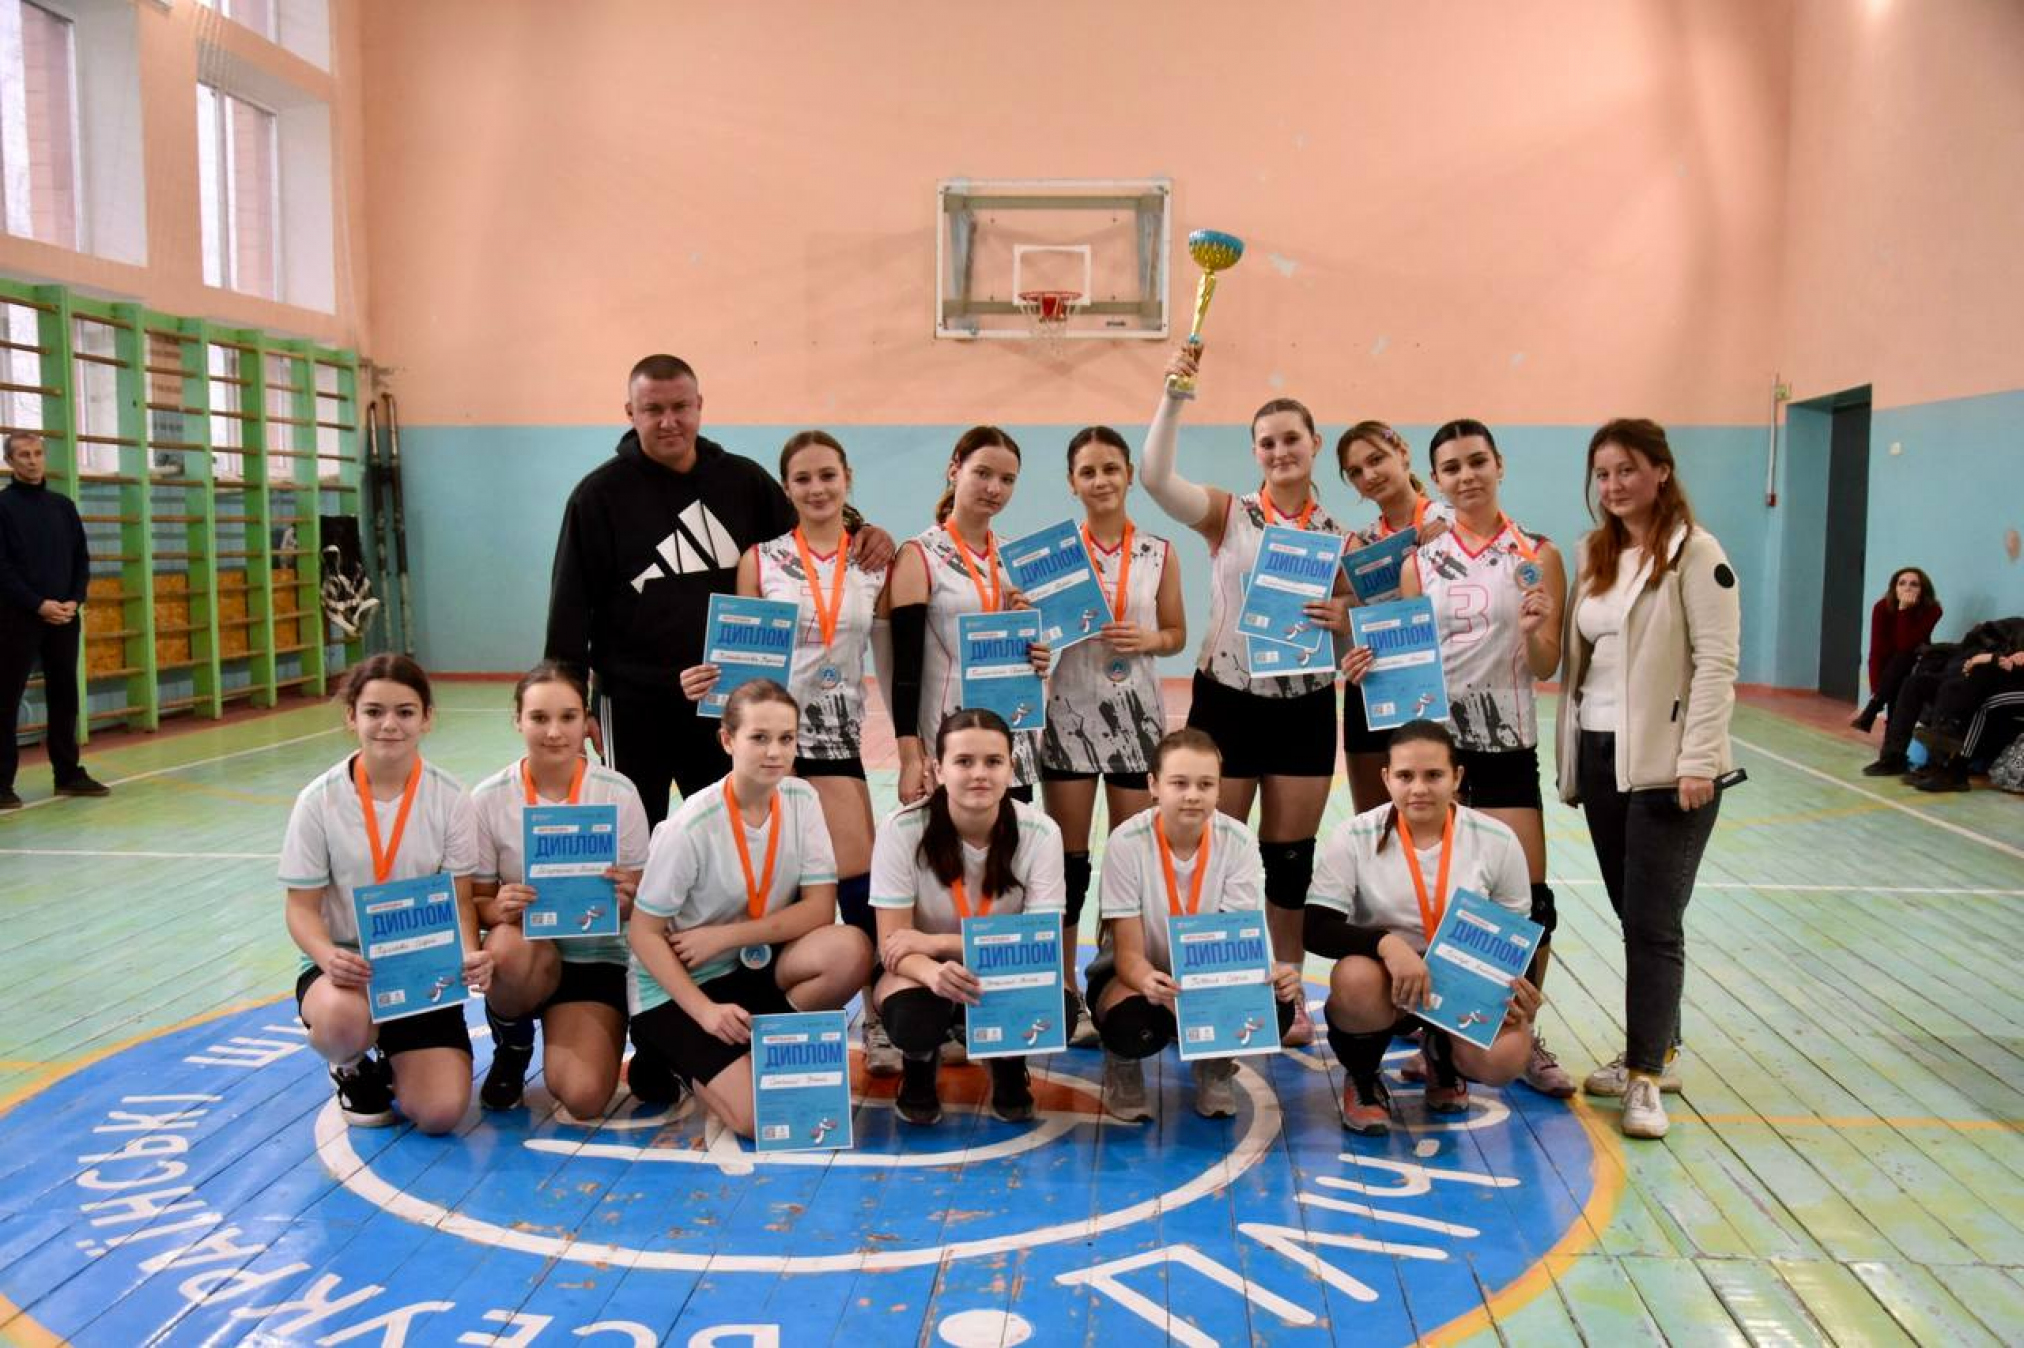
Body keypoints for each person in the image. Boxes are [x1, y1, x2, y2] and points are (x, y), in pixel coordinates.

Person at [545, 355, 891, 828]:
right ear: (630, 413)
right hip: (631, 705)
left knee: (727, 832)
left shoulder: (742, 481)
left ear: (700, 406)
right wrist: (569, 703)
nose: (669, 421)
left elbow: (810, 528)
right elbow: (569, 607)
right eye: (653, 409)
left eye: (680, 407)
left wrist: (863, 530)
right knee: (633, 833)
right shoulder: (597, 497)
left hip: (723, 700)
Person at [1138, 345, 1351, 1047]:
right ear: (1255, 452)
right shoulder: (1229, 515)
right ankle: (1209, 984)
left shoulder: (1338, 538)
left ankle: (1290, 994)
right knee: (1210, 849)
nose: (1281, 451)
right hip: (1228, 701)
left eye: (1292, 438)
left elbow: (1362, 627)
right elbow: (1155, 477)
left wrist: (1345, 615)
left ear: (1315, 444)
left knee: (1289, 861)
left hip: (1305, 706)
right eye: (1267, 442)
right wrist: (1174, 396)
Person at [683, 430, 894, 1073]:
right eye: (803, 478)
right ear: (787, 487)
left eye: (828, 475)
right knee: (775, 874)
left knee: (858, 873)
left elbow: (891, 656)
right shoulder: (762, 559)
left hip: (838, 735)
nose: (817, 488)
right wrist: (711, 683)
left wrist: (908, 740)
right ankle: (762, 1005)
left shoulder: (873, 559)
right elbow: (742, 657)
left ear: (847, 477)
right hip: (773, 738)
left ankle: (878, 1017)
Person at [1556, 419, 1739, 1139]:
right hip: (1602, 756)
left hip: (1668, 767)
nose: (1613, 485)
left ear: (1661, 471)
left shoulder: (1696, 552)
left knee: (1654, 925)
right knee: (1635, 916)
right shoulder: (1596, 554)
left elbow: (1717, 662)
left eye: (1627, 470)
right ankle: (1659, 1048)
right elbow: (1585, 658)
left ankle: (1644, 1078)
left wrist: (1698, 758)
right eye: (1602, 474)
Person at [1389, 417, 1571, 1097]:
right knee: (1439, 897)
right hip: (1438, 752)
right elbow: (1410, 664)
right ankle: (1439, 1038)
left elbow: (1547, 665)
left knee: (1529, 903)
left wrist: (1537, 630)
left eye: (1476, 461)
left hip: (1506, 747)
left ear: (1499, 465)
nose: (1466, 476)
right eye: (1452, 467)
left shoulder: (1537, 554)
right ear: (1436, 479)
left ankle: (1522, 1032)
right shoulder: (1419, 563)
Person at [625, 680, 872, 1137]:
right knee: (759, 1119)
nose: (774, 752)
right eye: (759, 737)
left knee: (850, 948)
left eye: (785, 738)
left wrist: (726, 936)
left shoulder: (802, 800)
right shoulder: (690, 826)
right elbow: (643, 934)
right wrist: (705, 1011)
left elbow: (820, 910)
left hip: (749, 963)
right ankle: (676, 1051)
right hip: (682, 984)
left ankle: (759, 1044)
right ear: (727, 740)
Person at [280, 655, 492, 1132]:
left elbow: (460, 899)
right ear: (351, 716)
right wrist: (327, 956)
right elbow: (300, 909)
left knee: (440, 1113)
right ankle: (350, 1063)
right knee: (341, 1019)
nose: (389, 724)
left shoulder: (451, 798)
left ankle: (399, 1053)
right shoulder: (318, 801)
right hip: (348, 968)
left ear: (427, 718)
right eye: (374, 711)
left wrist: (469, 952)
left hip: (420, 968)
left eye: (405, 711)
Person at [1304, 720, 1541, 1136]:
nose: (1419, 788)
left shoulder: (1496, 839)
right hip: (1387, 980)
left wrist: (1524, 995)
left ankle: (1443, 1058)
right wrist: (1387, 945)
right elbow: (1317, 927)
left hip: (1461, 986)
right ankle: (1363, 1076)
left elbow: (1517, 934)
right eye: (1405, 776)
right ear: (1386, 778)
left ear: (1457, 777)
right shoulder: (1354, 835)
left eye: (1434, 775)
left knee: (1506, 1056)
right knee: (1354, 979)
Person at [1040, 426, 1186, 1048]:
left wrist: (1149, 639)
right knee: (1069, 867)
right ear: (1071, 482)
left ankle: (1113, 979)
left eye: (1110, 469)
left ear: (1129, 475)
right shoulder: (1052, 557)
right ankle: (1064, 992)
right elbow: (1032, 632)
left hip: (1137, 723)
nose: (1100, 480)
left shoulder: (1159, 551)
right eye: (1088, 471)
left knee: (1130, 859)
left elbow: (1176, 634)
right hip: (1069, 718)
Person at [1087, 728, 1301, 1120]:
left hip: (1209, 971)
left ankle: (1214, 1063)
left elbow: (1236, 941)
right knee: (1131, 1024)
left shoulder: (1237, 840)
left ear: (1219, 789)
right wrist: (1151, 982)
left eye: (1205, 784)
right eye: (1179, 783)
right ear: (1154, 785)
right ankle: (1122, 1062)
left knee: (1278, 1006)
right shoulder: (1126, 842)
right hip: (1142, 972)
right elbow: (1129, 955)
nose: (1192, 795)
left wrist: (1271, 973)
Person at [870, 709, 1070, 1126]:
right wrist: (932, 970)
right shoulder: (901, 829)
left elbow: (1043, 945)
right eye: (964, 761)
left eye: (993, 762)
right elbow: (892, 943)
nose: (979, 774)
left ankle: (1008, 1062)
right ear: (938, 769)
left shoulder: (1041, 832)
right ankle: (919, 1063)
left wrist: (937, 942)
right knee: (912, 1017)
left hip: (1002, 966)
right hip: (923, 968)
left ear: (1011, 768)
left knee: (1061, 1007)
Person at [468, 662, 651, 1117]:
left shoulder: (618, 793)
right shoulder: (488, 798)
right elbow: (477, 902)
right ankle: (512, 1047)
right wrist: (500, 907)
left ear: (585, 720)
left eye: (568, 717)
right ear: (518, 720)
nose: (554, 732)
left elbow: (647, 902)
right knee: (505, 947)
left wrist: (628, 900)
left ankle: (592, 1026)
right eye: (539, 718)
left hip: (597, 955)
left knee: (583, 1097)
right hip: (529, 951)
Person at [887, 427, 1052, 806]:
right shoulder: (919, 554)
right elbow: (905, 669)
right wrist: (910, 757)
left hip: (1011, 744)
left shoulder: (1013, 558)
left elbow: (1031, 657)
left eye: (1007, 479)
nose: (994, 488)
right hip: (949, 745)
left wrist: (1040, 655)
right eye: (982, 473)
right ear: (954, 470)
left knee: (1010, 844)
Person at [1336, 420, 1450, 813]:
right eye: (1355, 472)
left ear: (1402, 452)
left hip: (1437, 686)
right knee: (1373, 820)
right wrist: (1345, 620)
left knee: (1436, 816)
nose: (1368, 476)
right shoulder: (1361, 544)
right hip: (1373, 684)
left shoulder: (1453, 522)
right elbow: (1358, 619)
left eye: (1376, 460)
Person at [0, 431, 107, 808]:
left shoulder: (62, 506)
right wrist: (38, 604)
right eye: (24, 455)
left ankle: (68, 773)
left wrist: (74, 600)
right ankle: (1, 783)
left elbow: (81, 559)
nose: (32, 461)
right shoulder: (3, 507)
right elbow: (2, 568)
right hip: (17, 618)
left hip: (64, 617)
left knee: (64, 695)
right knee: (6, 698)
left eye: (37, 453)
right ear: (10, 462)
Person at [1867, 615, 2024, 791]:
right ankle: (1896, 756)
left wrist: (1993, 660)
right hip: (2007, 678)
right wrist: (1984, 661)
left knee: (1983, 702)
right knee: (1920, 684)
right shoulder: (2014, 632)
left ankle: (1957, 771)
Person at [1849, 567, 1941, 735]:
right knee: (1897, 672)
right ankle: (1888, 727)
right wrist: (1876, 688)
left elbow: (1906, 644)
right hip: (1890, 668)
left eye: (1914, 584)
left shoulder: (1933, 609)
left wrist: (1904, 610)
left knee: (1904, 657)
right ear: (1894, 588)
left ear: (1923, 591)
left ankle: (1871, 711)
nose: (1907, 588)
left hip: (1918, 660)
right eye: (1902, 583)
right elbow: (1876, 650)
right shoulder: (1881, 607)